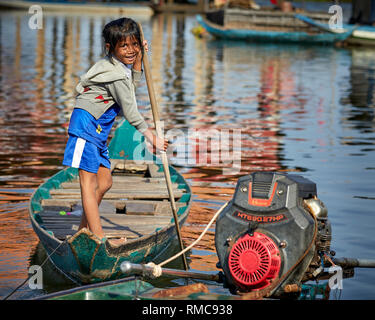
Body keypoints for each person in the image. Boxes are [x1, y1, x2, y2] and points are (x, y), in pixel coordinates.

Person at [62, 17, 168, 246]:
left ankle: (82, 230)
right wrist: (152, 138)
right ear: (111, 48)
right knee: (88, 183)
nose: (130, 51)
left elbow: (131, 87)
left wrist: (140, 59)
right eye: (124, 46)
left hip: (98, 132)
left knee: (106, 181)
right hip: (85, 127)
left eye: (134, 45)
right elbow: (131, 111)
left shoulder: (118, 68)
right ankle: (99, 240)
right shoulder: (117, 74)